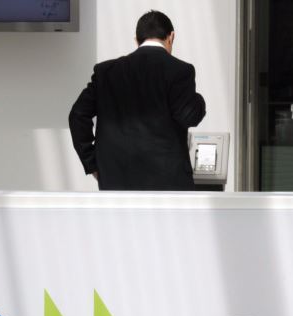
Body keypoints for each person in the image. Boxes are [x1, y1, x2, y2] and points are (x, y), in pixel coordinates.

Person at [68, 11, 206, 191]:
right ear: (171, 37)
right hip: (168, 184)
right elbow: (189, 116)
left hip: (116, 181)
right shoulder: (180, 70)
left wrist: (92, 163)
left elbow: (77, 115)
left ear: (136, 40)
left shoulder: (107, 72)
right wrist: (199, 100)